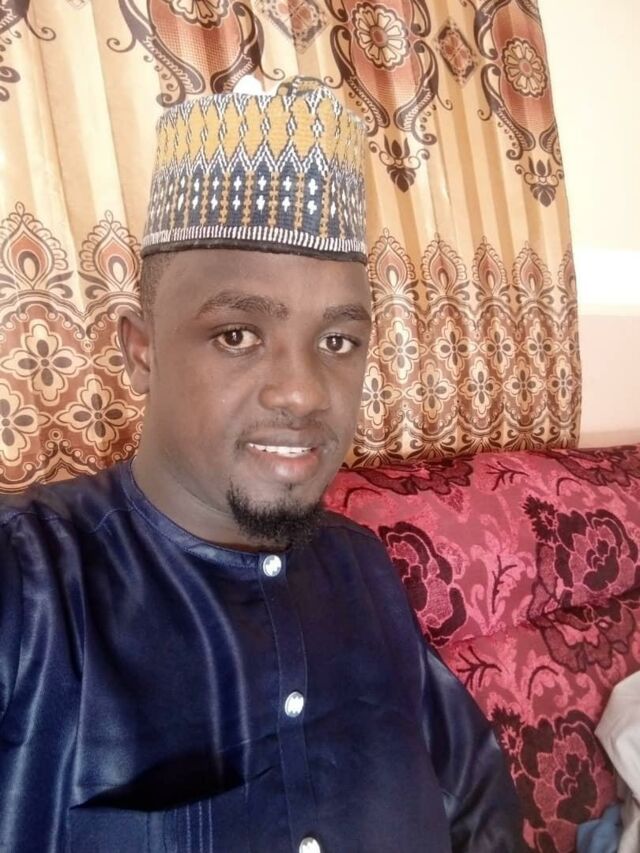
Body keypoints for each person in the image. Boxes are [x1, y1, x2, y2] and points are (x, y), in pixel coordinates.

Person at [0, 77, 523, 852]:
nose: (303, 392)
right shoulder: (32, 583)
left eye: (338, 340)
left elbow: (479, 802)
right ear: (140, 352)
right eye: (238, 334)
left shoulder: (363, 567)